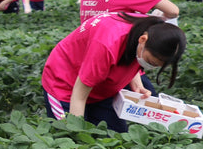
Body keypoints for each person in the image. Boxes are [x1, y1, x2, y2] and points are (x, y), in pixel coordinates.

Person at [42, 13, 186, 132]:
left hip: (102, 89)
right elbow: (79, 96)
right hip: (66, 85)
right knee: (68, 139)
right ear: (143, 40)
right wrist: (76, 136)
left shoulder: (149, 29)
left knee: (116, 136)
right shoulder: (107, 43)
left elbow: (130, 52)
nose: (149, 66)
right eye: (151, 62)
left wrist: (137, 84)